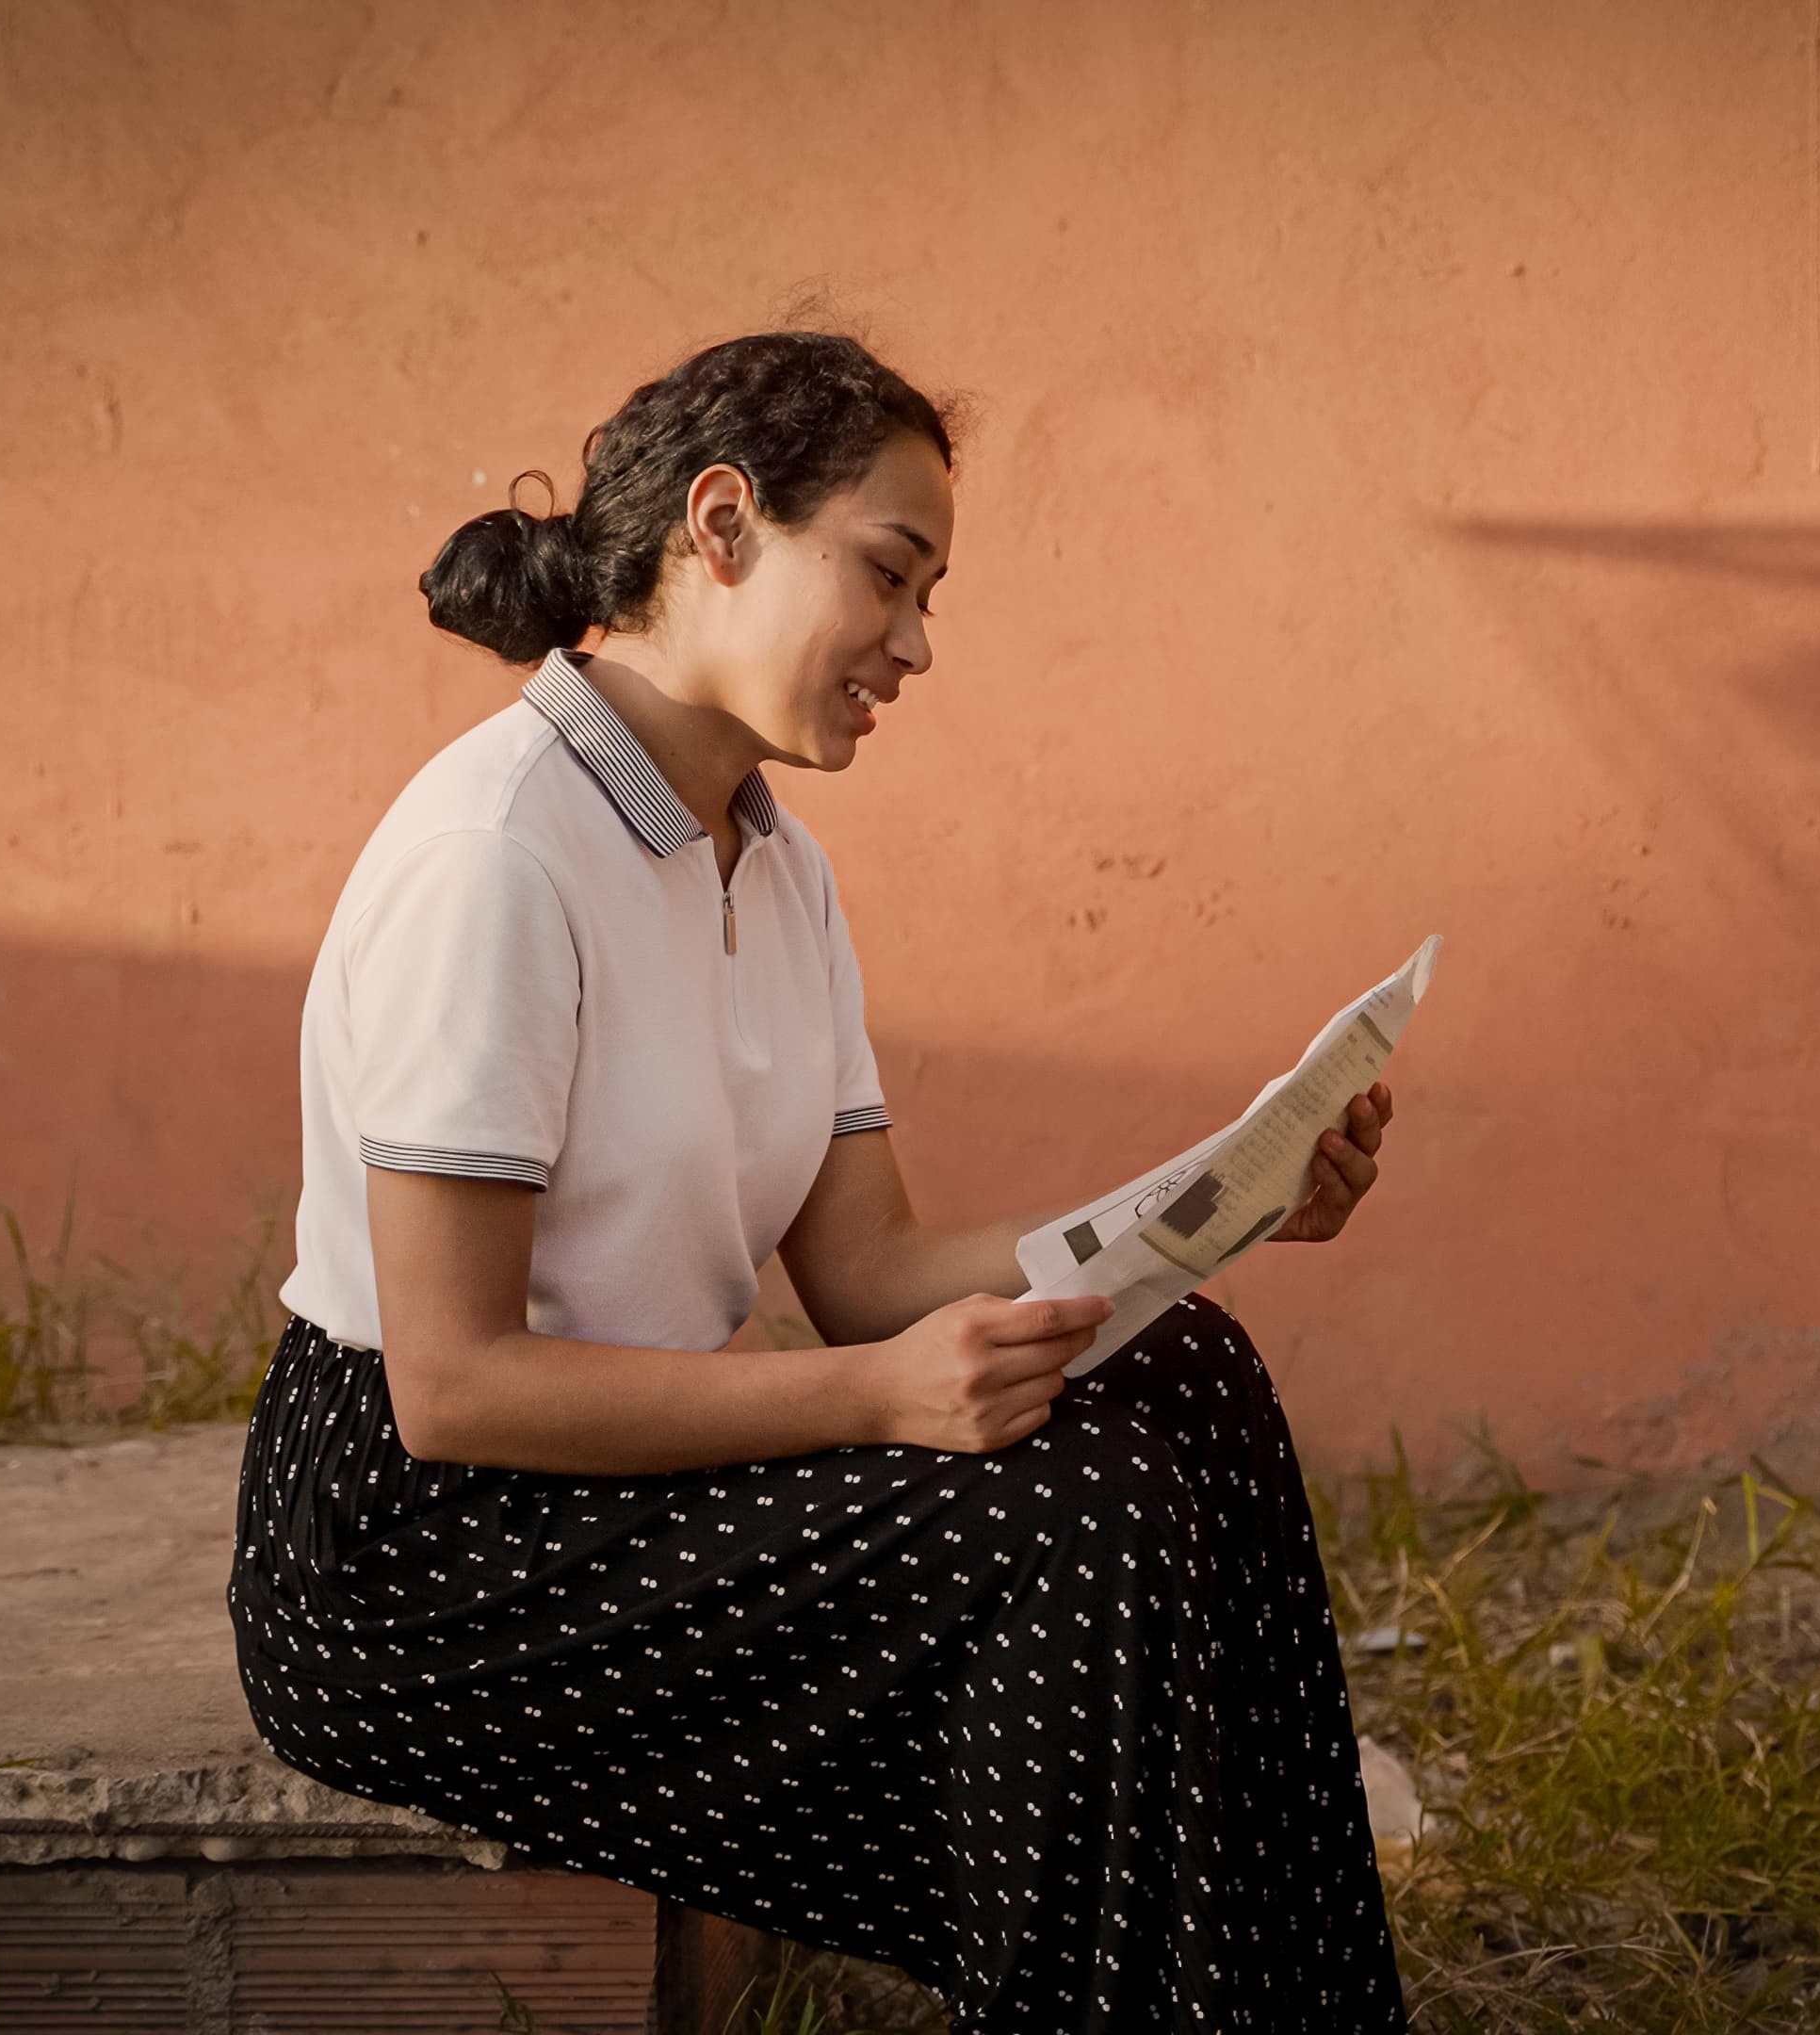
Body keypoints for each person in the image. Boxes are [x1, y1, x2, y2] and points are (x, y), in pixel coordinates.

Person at [228, 331, 1410, 2032]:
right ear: (721, 526)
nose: (919, 644)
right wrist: (871, 1401)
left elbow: (869, 1267)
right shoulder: (497, 854)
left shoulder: (773, 865)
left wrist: (1215, 1200)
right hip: (420, 1562)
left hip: (619, 1489)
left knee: (1188, 1373)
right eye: (888, 573)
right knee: (1068, 1525)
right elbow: (456, 1386)